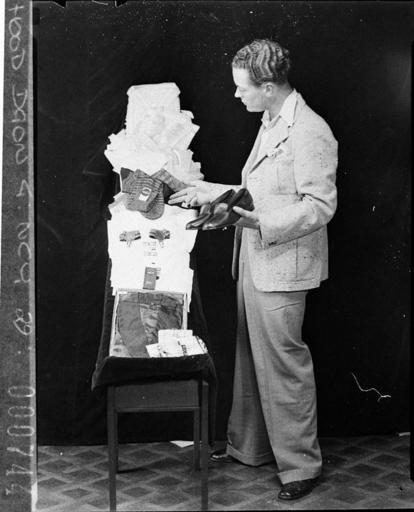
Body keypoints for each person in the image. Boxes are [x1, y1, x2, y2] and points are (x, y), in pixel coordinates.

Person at [169, 39, 338, 500]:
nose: (236, 94)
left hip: (283, 264)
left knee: (283, 364)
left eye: (242, 88)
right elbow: (262, 190)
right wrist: (210, 192)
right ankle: (251, 449)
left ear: (268, 87)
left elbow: (320, 206)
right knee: (249, 357)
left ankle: (301, 466)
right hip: (258, 258)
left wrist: (259, 221)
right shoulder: (272, 121)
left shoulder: (310, 130)